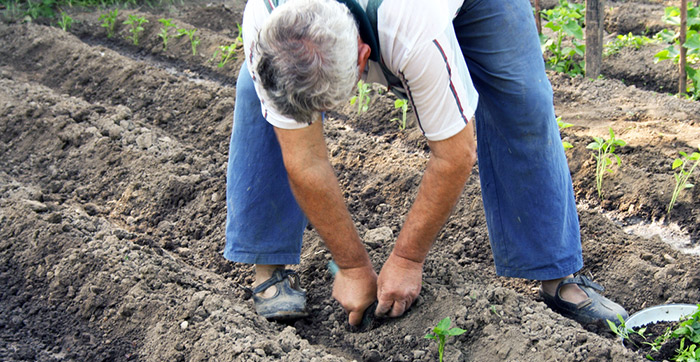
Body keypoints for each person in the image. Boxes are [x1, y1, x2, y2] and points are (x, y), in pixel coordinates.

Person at [224, 0, 628, 328]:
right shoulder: (266, 18)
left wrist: (406, 260)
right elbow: (304, 160)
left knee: (522, 100)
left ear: (365, 56)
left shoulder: (414, 25)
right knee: (261, 92)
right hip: (326, 37)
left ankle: (556, 274)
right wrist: (351, 265)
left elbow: (454, 155)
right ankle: (269, 270)